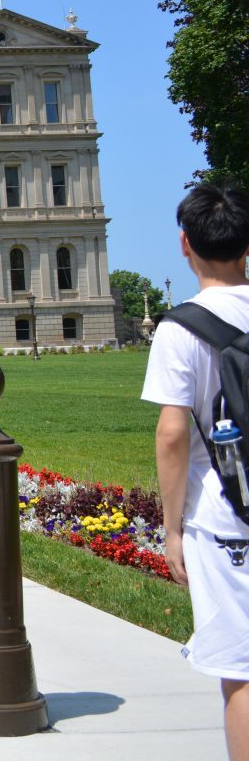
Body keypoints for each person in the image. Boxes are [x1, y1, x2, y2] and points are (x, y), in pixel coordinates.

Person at [145, 181, 249, 761]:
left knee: (243, 673)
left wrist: (172, 527)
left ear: (184, 244)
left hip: (226, 516)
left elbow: (173, 433)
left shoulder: (181, 327)